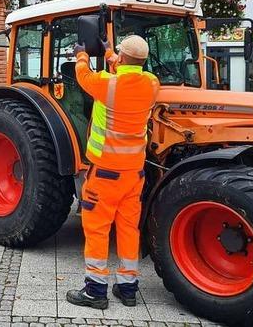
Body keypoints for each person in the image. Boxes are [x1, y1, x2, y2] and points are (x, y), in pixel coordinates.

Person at [66, 35, 159, 309]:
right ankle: (127, 288)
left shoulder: (106, 84)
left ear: (124, 57)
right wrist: (110, 54)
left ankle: (95, 291)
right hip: (135, 175)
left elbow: (82, 76)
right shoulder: (152, 84)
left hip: (105, 174)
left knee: (97, 230)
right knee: (129, 230)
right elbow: (127, 70)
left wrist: (81, 54)